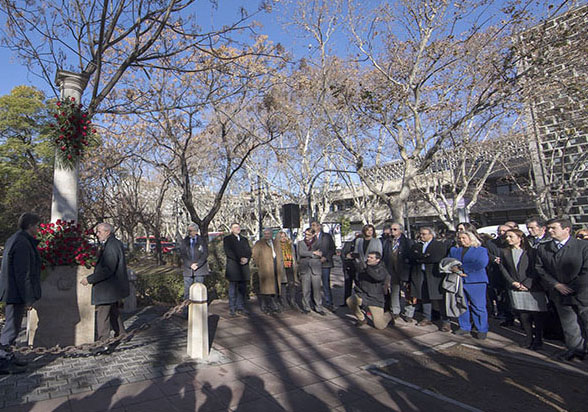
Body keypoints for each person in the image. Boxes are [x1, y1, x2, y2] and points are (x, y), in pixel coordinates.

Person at [535, 218, 588, 361]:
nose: (550, 231)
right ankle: (576, 350)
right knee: (569, 325)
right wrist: (556, 284)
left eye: (553, 228)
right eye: (549, 228)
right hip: (559, 293)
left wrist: (571, 286)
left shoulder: (583, 246)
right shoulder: (543, 248)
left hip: (583, 292)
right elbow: (540, 269)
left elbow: (586, 270)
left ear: (566, 229)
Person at [0, 213, 41, 374]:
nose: (38, 228)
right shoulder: (22, 242)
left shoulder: (16, 239)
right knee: (11, 327)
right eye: (36, 225)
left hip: (13, 291)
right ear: (30, 226)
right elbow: (22, 273)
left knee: (14, 326)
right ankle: (3, 360)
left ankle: (8, 356)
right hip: (15, 292)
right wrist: (28, 298)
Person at [81, 223, 130, 355]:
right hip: (111, 287)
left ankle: (103, 344)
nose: (97, 234)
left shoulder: (112, 245)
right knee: (113, 311)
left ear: (108, 232)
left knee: (102, 316)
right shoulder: (111, 243)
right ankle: (122, 334)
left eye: (99, 231)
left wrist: (89, 279)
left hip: (108, 288)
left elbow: (108, 269)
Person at [499, 229, 547, 350]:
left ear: (520, 238)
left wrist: (527, 283)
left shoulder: (532, 252)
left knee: (537, 315)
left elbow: (536, 269)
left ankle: (538, 340)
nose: (508, 239)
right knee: (523, 315)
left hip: (533, 288)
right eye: (507, 237)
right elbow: (503, 269)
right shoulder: (505, 252)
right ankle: (529, 337)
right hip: (515, 287)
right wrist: (513, 282)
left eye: (511, 236)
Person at [449, 231, 490, 339]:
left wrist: (462, 268)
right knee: (461, 304)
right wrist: (453, 268)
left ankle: (481, 328)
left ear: (471, 238)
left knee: (478, 306)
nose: (461, 240)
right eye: (459, 238)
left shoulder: (481, 250)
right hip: (459, 280)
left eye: (464, 238)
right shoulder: (454, 250)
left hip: (476, 281)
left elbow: (481, 263)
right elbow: (449, 261)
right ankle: (464, 326)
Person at [407, 227, 449, 330]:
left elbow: (435, 258)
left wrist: (421, 258)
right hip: (420, 274)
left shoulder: (439, 245)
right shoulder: (417, 245)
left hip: (434, 275)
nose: (421, 236)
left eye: (424, 234)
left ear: (431, 234)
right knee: (424, 296)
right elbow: (412, 257)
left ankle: (445, 321)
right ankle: (427, 317)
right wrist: (423, 257)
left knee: (439, 298)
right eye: (420, 234)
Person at [346, 251, 392, 329]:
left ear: (377, 260)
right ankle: (362, 319)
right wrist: (354, 259)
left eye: (371, 258)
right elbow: (357, 272)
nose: (368, 259)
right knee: (350, 301)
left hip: (375, 299)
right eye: (368, 257)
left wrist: (367, 268)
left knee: (380, 326)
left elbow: (377, 277)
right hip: (364, 295)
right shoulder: (364, 266)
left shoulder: (382, 269)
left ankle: (389, 315)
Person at [381, 223, 413, 321]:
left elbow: (411, 257)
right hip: (391, 270)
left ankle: (409, 313)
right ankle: (395, 311)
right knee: (394, 291)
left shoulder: (408, 242)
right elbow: (384, 256)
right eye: (391, 229)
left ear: (401, 230)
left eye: (395, 229)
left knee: (408, 292)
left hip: (404, 270)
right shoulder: (387, 242)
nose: (392, 231)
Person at [223, 223, 252, 317]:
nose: (238, 229)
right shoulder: (227, 239)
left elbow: (249, 251)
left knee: (242, 289)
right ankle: (232, 308)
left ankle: (240, 307)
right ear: (231, 229)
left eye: (238, 227)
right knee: (232, 289)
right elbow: (229, 252)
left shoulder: (244, 239)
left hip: (243, 268)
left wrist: (247, 258)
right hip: (234, 268)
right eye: (235, 227)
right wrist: (240, 258)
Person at [252, 228, 282, 315]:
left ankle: (273, 305)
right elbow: (255, 255)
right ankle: (265, 307)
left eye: (268, 233)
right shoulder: (259, 243)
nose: (267, 235)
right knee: (265, 290)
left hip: (275, 267)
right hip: (265, 269)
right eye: (265, 233)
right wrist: (260, 264)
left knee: (274, 288)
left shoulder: (275, 242)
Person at [297, 228, 326, 315]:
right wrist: (313, 253)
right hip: (305, 268)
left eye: (309, 235)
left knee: (317, 289)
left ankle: (318, 307)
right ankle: (306, 307)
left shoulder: (318, 243)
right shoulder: (301, 243)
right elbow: (301, 253)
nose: (306, 236)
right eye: (305, 234)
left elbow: (320, 254)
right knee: (305, 289)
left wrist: (311, 254)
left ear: (313, 235)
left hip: (315, 268)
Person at [179, 223, 209, 300]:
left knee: (199, 290)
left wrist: (198, 264)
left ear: (196, 231)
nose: (190, 232)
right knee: (187, 291)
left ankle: (199, 308)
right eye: (189, 231)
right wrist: (190, 264)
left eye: (192, 231)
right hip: (188, 269)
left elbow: (205, 253)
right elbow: (183, 254)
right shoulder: (184, 241)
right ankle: (186, 309)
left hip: (200, 269)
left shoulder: (202, 240)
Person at [310, 220, 336, 311]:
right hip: (314, 263)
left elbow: (332, 249)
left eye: (314, 225)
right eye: (312, 225)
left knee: (325, 284)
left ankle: (329, 303)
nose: (312, 227)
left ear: (319, 226)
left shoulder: (327, 236)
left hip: (325, 263)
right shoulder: (310, 237)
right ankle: (315, 303)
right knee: (314, 284)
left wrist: (326, 257)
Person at [275, 230, 299, 311]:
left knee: (292, 285)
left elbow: (294, 256)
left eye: (284, 236)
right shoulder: (276, 246)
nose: (283, 238)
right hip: (282, 267)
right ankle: (284, 302)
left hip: (290, 266)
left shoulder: (290, 245)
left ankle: (293, 301)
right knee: (283, 285)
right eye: (281, 237)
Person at [340, 232, 360, 306]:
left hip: (358, 268)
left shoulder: (362, 245)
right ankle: (346, 302)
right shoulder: (349, 244)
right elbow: (342, 254)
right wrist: (346, 257)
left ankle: (359, 303)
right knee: (347, 285)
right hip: (348, 267)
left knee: (358, 286)